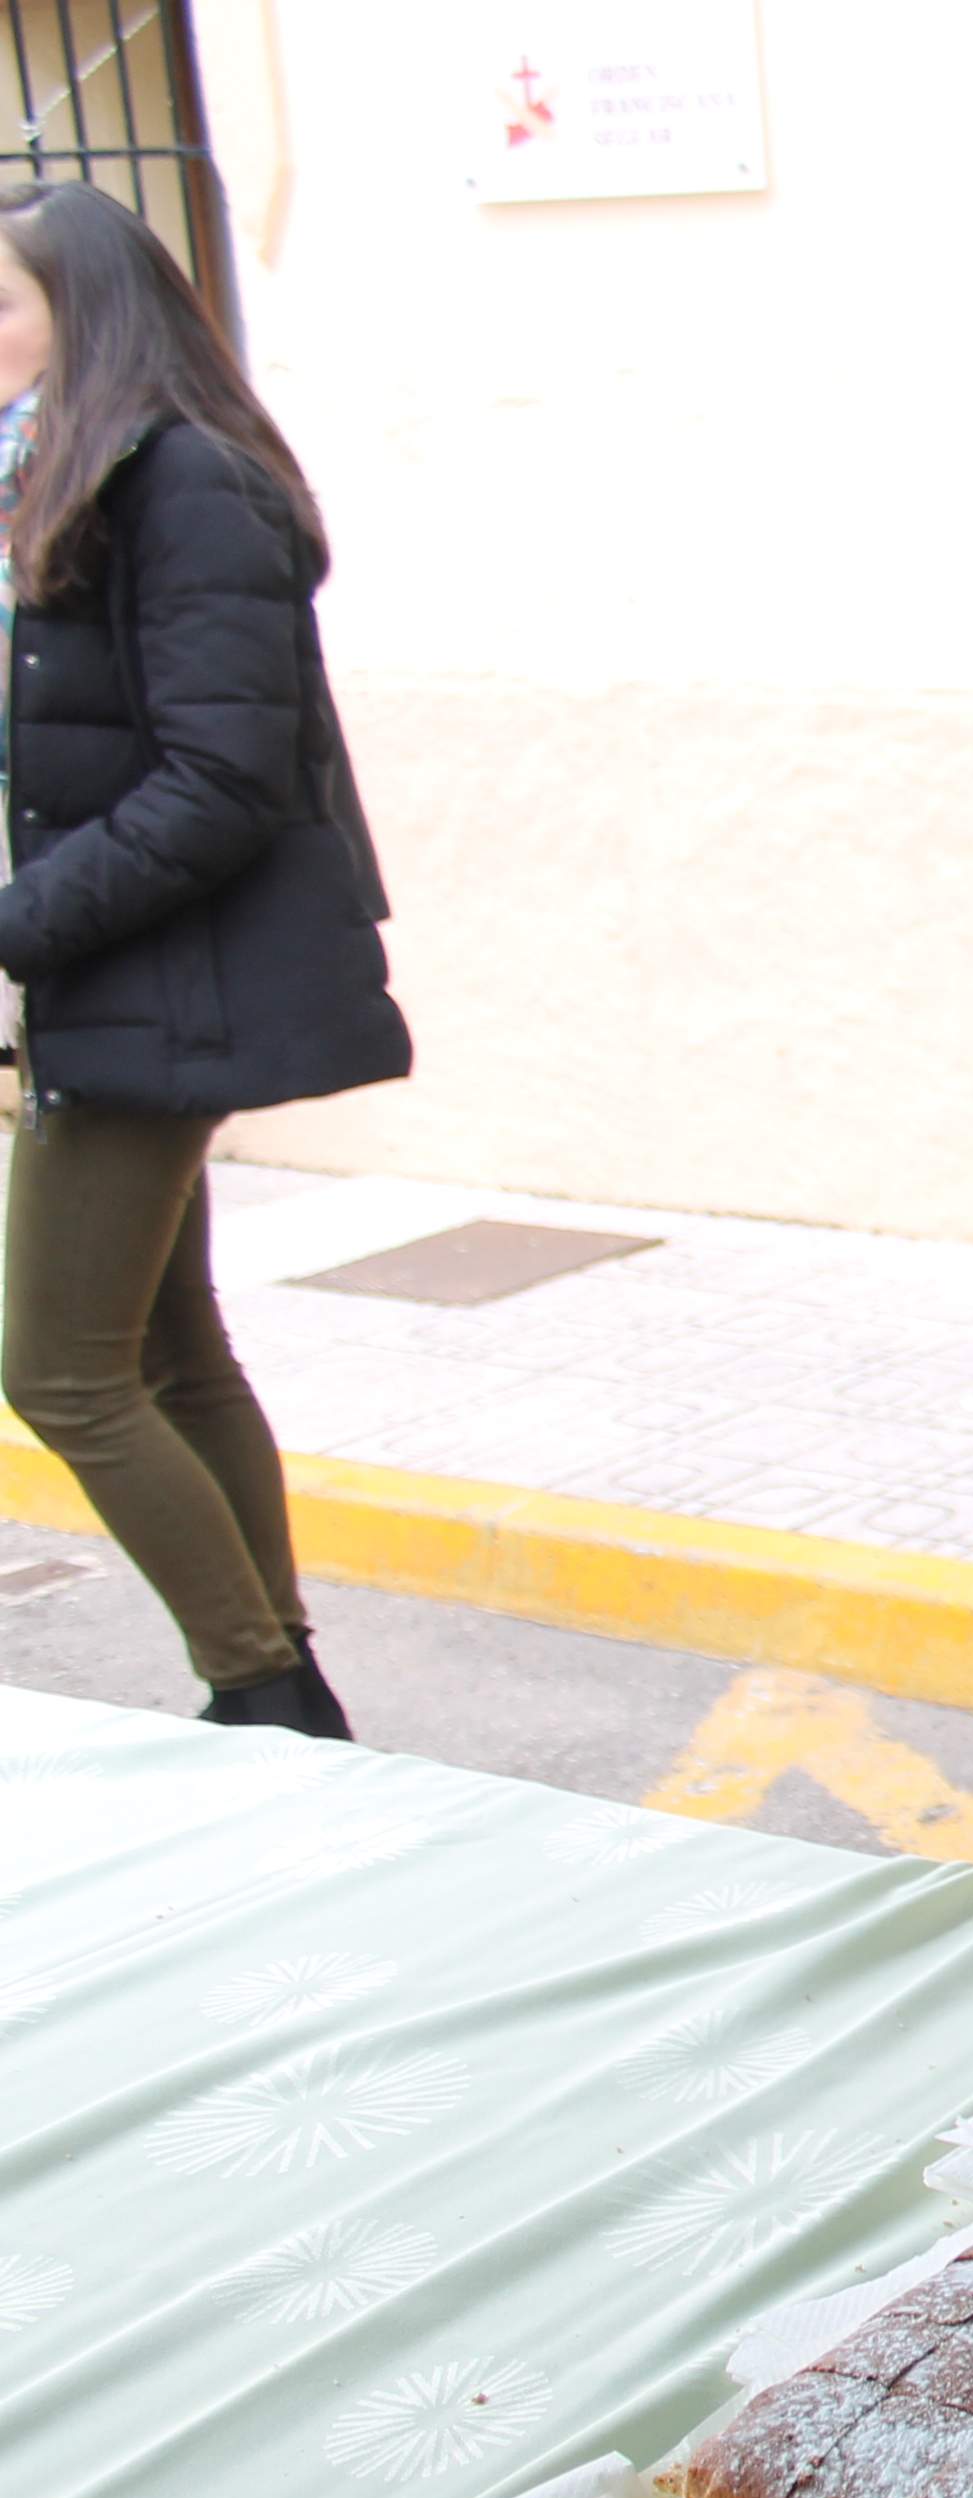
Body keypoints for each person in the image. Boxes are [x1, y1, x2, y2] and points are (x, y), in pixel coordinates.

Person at [0, 182, 403, 1743]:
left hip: (163, 983)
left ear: (86, 315)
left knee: (57, 1370)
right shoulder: (69, 478)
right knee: (171, 1350)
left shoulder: (181, 484)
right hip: (115, 973)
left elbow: (224, 780)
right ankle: (279, 1679)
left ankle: (258, 1686)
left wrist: (21, 926)